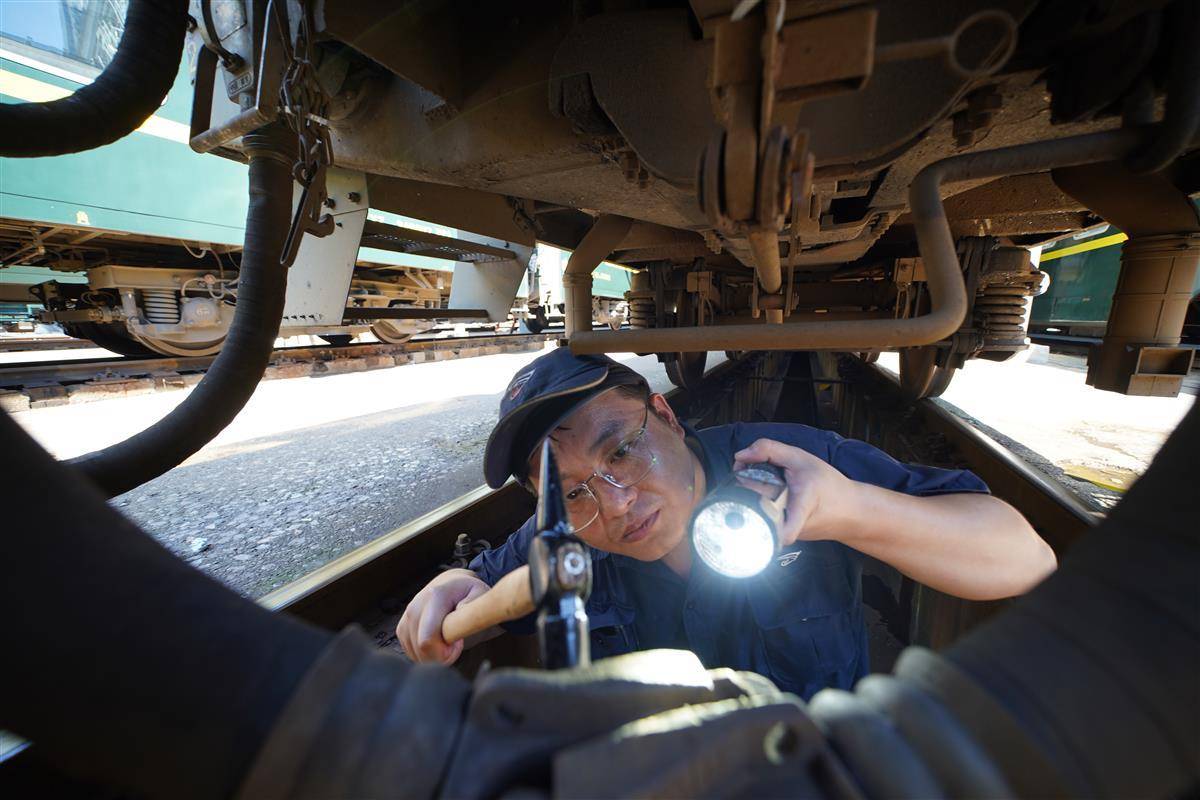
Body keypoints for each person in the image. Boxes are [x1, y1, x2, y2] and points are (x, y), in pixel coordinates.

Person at [397, 349, 1056, 699]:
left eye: (620, 450)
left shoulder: (787, 465)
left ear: (665, 415)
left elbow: (1025, 559)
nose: (615, 502)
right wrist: (452, 588)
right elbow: (477, 597)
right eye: (570, 491)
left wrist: (851, 509)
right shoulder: (564, 534)